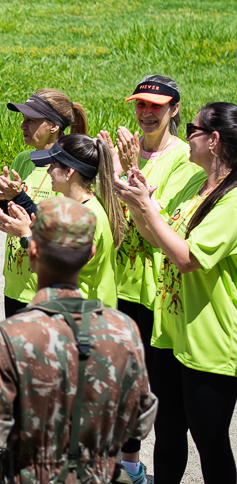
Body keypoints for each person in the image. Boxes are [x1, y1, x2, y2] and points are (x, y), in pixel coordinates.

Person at [0, 197, 158, 483]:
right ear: (90, 252)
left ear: (33, 251)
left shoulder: (13, 335)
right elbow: (139, 426)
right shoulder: (123, 329)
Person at [115, 102, 237, 483]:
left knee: (210, 440)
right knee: (167, 431)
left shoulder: (233, 200)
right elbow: (159, 237)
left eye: (193, 131)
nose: (188, 138)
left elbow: (187, 258)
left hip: (209, 341)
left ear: (213, 140)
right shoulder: (194, 183)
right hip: (170, 330)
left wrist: (146, 207)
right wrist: (138, 202)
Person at [97, 75, 199, 482]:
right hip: (118, 284)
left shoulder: (184, 160)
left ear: (174, 109)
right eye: (141, 104)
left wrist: (127, 171)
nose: (147, 112)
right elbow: (108, 216)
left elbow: (154, 229)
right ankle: (129, 466)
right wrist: (111, 172)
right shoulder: (125, 152)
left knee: (159, 395)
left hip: (157, 291)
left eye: (157, 106)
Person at [0, 89, 87, 317]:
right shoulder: (23, 160)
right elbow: (1, 222)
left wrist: (17, 197)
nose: (22, 126)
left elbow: (58, 229)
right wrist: (0, 199)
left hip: (48, 289)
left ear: (53, 126)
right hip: (16, 284)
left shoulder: (68, 169)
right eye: (23, 119)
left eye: (31, 120)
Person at [0, 134, 126, 308]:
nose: (48, 171)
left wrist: (26, 235)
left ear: (69, 172)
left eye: (53, 166)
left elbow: (56, 271)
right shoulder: (80, 207)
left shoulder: (84, 217)